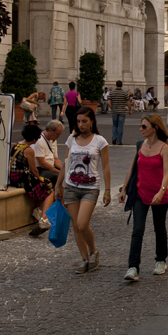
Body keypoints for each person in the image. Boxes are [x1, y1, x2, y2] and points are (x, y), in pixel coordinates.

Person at [55, 106, 111, 273]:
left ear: (92, 121)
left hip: (90, 188)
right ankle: (85, 259)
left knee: (82, 224)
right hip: (71, 186)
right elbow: (66, 163)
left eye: (84, 121)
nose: (81, 125)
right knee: (75, 225)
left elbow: (106, 167)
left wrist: (108, 190)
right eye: (78, 121)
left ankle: (93, 251)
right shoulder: (71, 139)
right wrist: (58, 185)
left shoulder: (100, 141)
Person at [119, 113, 168, 281]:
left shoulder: (164, 148)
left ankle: (161, 260)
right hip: (140, 194)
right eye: (141, 126)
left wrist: (161, 191)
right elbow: (132, 168)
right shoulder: (140, 145)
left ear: (154, 128)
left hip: (158, 195)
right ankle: (133, 267)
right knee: (137, 230)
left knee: (159, 228)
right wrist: (124, 188)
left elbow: (167, 173)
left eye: (144, 126)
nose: (140, 129)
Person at [108, 80, 132, 145]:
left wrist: (112, 108)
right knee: (120, 126)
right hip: (122, 111)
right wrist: (130, 110)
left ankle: (114, 138)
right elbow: (128, 102)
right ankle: (119, 141)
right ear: (122, 85)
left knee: (114, 125)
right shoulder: (124, 93)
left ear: (115, 85)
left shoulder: (112, 93)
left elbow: (109, 102)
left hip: (114, 111)